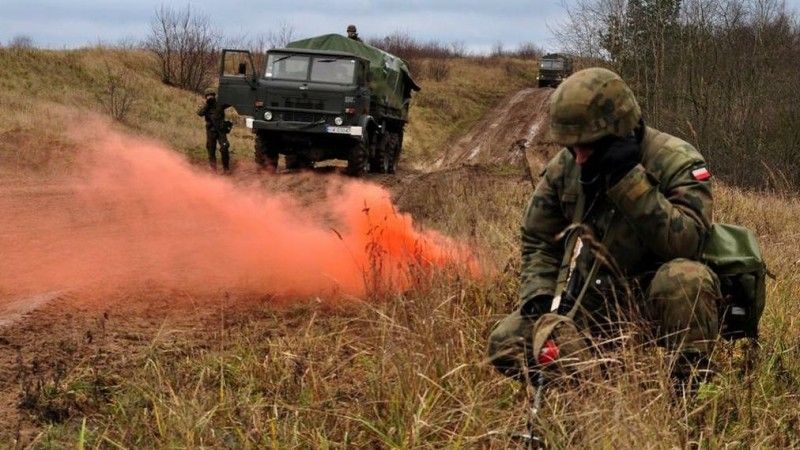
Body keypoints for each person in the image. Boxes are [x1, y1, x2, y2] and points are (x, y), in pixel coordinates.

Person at [487, 67, 720, 394]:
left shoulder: (676, 160)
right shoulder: (566, 167)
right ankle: (597, 392)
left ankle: (687, 394)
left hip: (651, 302)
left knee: (685, 278)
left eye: (589, 146)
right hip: (591, 299)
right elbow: (538, 237)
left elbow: (688, 242)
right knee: (506, 341)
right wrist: (540, 296)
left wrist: (629, 181)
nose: (579, 158)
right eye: (571, 147)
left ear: (622, 131)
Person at [196, 88, 231, 173]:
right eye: (208, 95)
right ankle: (213, 170)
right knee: (211, 150)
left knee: (224, 148)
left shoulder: (220, 103)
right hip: (211, 131)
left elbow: (230, 102)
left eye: (211, 95)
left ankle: (226, 169)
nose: (210, 97)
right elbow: (199, 113)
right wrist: (207, 105)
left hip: (221, 131)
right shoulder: (206, 106)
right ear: (206, 97)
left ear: (214, 95)